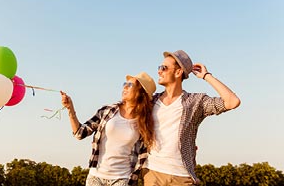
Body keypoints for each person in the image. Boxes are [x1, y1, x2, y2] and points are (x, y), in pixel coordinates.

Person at [143, 50, 241, 186]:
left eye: (163, 68)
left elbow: (232, 102)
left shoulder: (195, 102)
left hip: (182, 176)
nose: (159, 71)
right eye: (159, 68)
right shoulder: (150, 102)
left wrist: (206, 76)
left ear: (178, 72)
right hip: (153, 172)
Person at [61, 72, 156, 186]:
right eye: (125, 84)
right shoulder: (107, 111)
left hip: (122, 179)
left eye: (130, 85)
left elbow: (145, 154)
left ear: (140, 93)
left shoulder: (144, 123)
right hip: (96, 177)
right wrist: (70, 109)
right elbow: (80, 133)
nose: (124, 87)